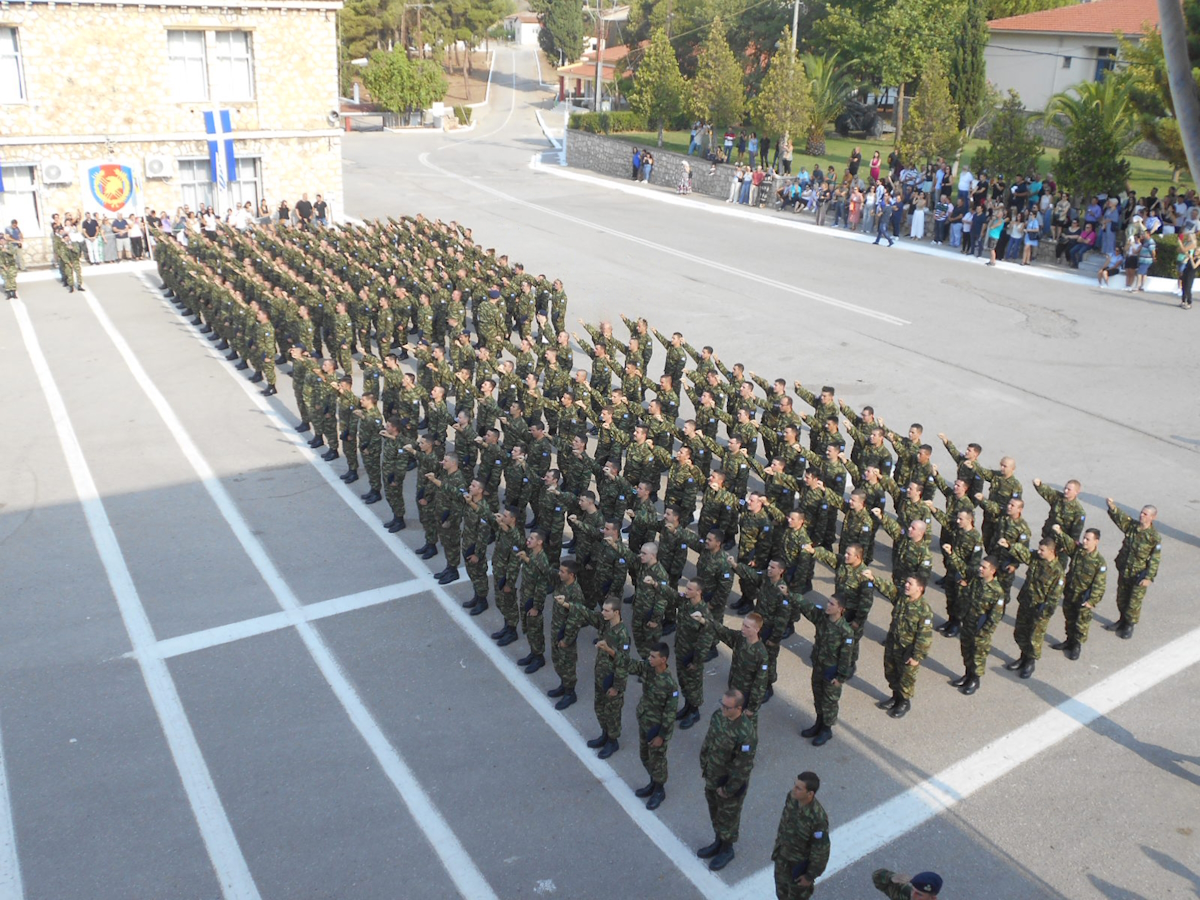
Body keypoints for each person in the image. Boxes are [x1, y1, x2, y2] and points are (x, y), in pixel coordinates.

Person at [609, 640, 678, 810]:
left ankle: (659, 790)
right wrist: (610, 651)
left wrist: (661, 736)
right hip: (644, 720)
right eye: (649, 655)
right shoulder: (648, 667)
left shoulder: (670, 685)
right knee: (645, 756)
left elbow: (670, 714)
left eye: (653, 656)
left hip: (657, 728)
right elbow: (630, 664)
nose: (649, 659)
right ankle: (653, 782)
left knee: (657, 760)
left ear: (664, 659)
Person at [696, 689, 757, 871]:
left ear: (738, 708)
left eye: (727, 706)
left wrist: (728, 789)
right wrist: (704, 762)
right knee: (715, 811)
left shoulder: (746, 733)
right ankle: (718, 841)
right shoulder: (718, 716)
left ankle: (727, 849)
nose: (722, 708)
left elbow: (742, 767)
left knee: (728, 817)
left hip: (728, 783)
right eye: (721, 703)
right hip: (712, 775)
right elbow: (709, 740)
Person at [791, 592, 854, 744]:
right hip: (818, 666)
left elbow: (846, 658)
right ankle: (818, 723)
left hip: (831, 671)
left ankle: (827, 729)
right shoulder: (822, 619)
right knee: (818, 697)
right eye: (828, 602)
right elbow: (806, 606)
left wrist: (840, 678)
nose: (828, 605)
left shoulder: (845, 631)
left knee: (829, 702)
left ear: (841, 609)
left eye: (832, 604)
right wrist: (790, 594)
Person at [871, 574, 935, 717]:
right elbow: (888, 589)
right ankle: (895, 697)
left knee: (906, 678)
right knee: (891, 672)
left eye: (910, 584)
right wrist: (874, 578)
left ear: (920, 588)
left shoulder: (924, 610)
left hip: (908, 651)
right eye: (906, 582)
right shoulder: (902, 599)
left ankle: (904, 702)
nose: (906, 585)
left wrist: (916, 657)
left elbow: (924, 637)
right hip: (893, 645)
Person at [1105, 499, 1161, 639]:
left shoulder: (1154, 537)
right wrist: (1112, 507)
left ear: (1153, 517)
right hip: (1125, 569)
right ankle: (1122, 620)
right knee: (1121, 598)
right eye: (1142, 513)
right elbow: (1121, 519)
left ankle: (1129, 625)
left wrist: (1148, 577)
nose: (1142, 515)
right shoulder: (1133, 527)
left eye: (1146, 514)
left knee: (1134, 602)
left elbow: (1155, 559)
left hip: (1139, 574)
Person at [1050, 526, 1107, 660]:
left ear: (1096, 541)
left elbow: (1100, 584)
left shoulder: (1099, 562)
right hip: (1071, 592)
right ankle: (1069, 641)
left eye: (1088, 539)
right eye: (1084, 538)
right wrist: (1059, 532)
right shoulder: (1078, 551)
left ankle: (1076, 645)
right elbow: (1069, 543)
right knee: (1069, 618)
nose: (1085, 541)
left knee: (1081, 623)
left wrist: (1092, 601)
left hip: (1083, 598)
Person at [772, 772, 831, 900]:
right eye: (795, 785)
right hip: (782, 858)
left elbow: (821, 852)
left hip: (798, 869)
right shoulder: (792, 798)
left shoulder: (817, 819)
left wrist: (810, 876)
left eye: (799, 788)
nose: (794, 790)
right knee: (781, 894)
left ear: (810, 794)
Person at [872, 869, 943, 899]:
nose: (913, 896)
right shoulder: (906, 895)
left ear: (933, 898)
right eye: (912, 890)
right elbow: (877, 877)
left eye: (919, 894)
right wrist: (891, 877)